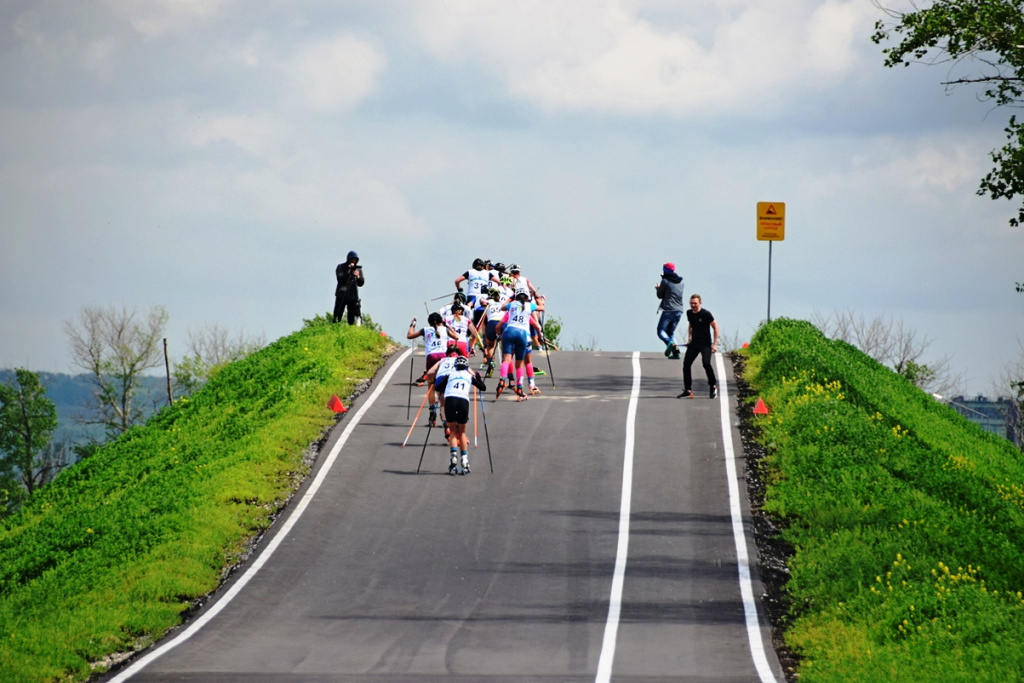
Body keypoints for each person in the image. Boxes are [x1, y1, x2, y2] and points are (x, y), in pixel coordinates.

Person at [435, 355, 487, 475]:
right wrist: (478, 377)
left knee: (452, 431)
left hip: (450, 400)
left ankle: (453, 457)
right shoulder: (469, 375)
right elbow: (483, 388)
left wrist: (444, 381)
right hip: (463, 401)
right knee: (462, 432)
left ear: (456, 366)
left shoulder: (450, 375)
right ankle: (465, 460)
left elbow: (437, 387)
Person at [677, 294, 720, 399]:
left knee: (706, 363)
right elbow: (691, 326)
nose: (693, 305)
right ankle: (688, 390)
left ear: (700, 303)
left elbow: (715, 327)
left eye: (695, 303)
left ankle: (713, 386)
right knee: (686, 364)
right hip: (694, 343)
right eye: (691, 303)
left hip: (705, 344)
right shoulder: (689, 313)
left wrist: (714, 344)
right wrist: (689, 338)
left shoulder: (706, 314)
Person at [655, 262, 684, 359]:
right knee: (670, 332)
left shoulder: (665, 281)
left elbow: (660, 295)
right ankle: (676, 353)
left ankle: (669, 342)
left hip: (668, 310)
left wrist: (658, 289)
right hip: (679, 311)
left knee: (661, 331)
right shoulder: (681, 282)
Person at [333, 251, 365, 325]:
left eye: (355, 260)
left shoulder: (358, 269)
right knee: (337, 315)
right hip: (342, 294)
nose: (353, 261)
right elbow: (340, 279)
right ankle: (335, 327)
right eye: (352, 259)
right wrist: (349, 271)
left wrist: (358, 276)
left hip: (352, 296)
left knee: (351, 318)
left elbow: (361, 283)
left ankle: (351, 327)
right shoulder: (341, 267)